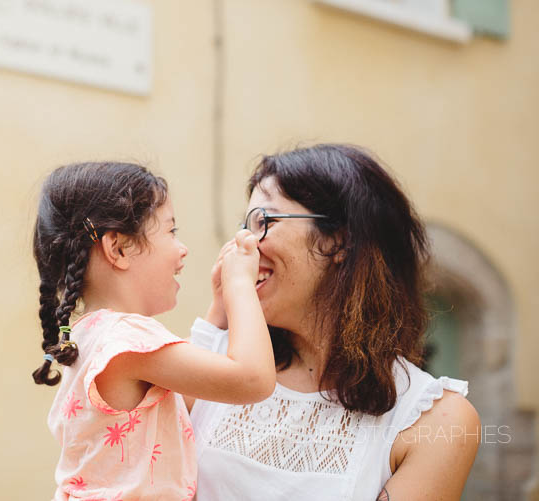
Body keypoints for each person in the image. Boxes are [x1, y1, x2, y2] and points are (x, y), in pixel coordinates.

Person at [190, 144, 480, 500]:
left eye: (264, 222)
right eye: (244, 225)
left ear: (340, 240)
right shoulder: (212, 361)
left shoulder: (438, 420)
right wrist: (216, 319)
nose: (243, 243)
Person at [31, 162, 277, 501]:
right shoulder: (127, 340)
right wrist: (240, 286)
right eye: (171, 231)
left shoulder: (94, 336)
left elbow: (188, 393)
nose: (183, 248)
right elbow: (253, 380)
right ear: (118, 248)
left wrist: (218, 312)